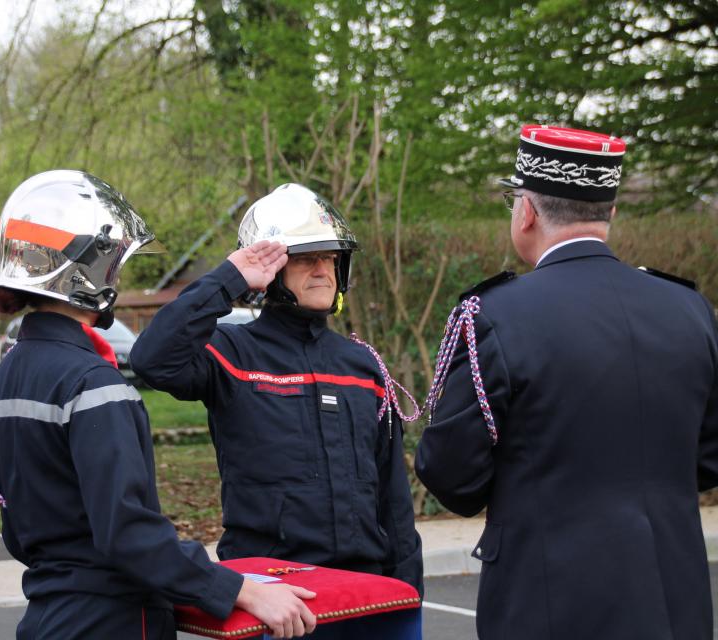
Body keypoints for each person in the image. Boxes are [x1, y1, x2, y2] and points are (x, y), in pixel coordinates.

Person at [0, 170, 317, 640]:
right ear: (88, 269)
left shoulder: (11, 372)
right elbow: (129, 535)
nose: (118, 275)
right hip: (110, 620)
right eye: (114, 262)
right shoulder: (92, 383)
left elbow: (19, 529)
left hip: (47, 612)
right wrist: (240, 590)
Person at [415, 125, 718, 639]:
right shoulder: (690, 309)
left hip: (548, 604)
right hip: (674, 600)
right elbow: (708, 458)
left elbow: (451, 475)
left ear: (527, 212)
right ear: (610, 212)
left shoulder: (495, 315)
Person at [131, 183, 424, 638]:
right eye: (306, 259)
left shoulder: (363, 365)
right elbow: (153, 359)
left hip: (362, 592)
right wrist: (229, 279)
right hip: (270, 595)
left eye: (330, 258)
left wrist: (408, 593)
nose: (323, 270)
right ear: (271, 271)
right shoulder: (231, 351)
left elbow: (394, 499)